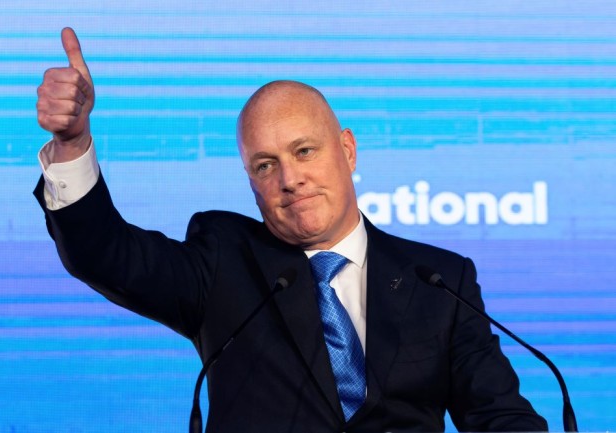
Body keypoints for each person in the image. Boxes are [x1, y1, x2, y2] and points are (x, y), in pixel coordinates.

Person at [34, 28, 548, 432]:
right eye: (265, 165)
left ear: (347, 150)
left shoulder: (438, 279)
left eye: (305, 151)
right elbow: (104, 254)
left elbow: (501, 416)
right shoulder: (222, 261)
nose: (290, 179)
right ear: (250, 182)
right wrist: (72, 144)